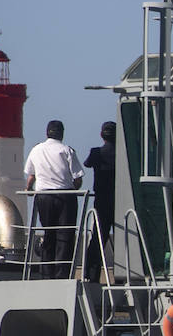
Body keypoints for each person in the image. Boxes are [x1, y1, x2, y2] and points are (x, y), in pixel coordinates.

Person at [25, 119, 84, 277]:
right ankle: (62, 273)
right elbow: (78, 178)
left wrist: (28, 188)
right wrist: (74, 189)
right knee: (64, 236)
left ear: (47, 132)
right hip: (65, 196)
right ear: (62, 133)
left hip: (43, 197)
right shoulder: (66, 150)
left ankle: (46, 272)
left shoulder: (36, 149)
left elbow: (32, 175)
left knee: (48, 233)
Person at [81, 121, 116, 281]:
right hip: (119, 198)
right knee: (124, 237)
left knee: (98, 237)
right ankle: (124, 275)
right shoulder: (123, 152)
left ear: (102, 135)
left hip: (102, 199)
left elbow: (87, 164)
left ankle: (91, 274)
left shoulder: (96, 152)